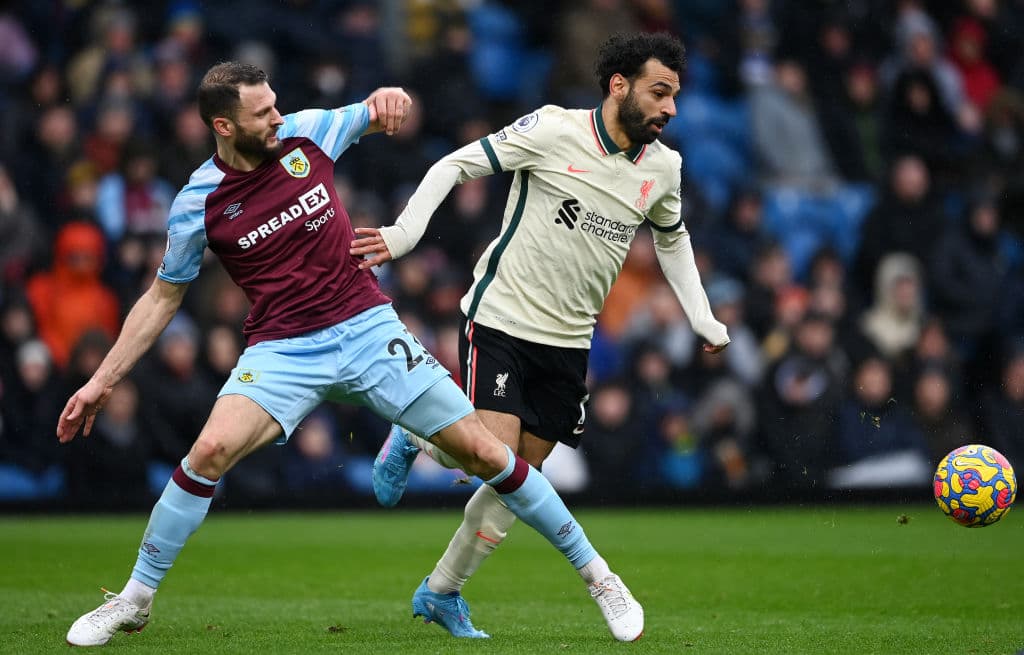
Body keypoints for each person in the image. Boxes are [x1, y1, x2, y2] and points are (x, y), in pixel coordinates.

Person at [59, 61, 640, 647]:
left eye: (275, 104)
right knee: (207, 451)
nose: (278, 117)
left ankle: (601, 579)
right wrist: (101, 381)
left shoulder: (308, 132)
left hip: (367, 329)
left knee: (488, 454)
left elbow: (374, 110)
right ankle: (134, 600)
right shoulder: (198, 201)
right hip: (283, 349)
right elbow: (163, 296)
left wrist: (389, 97)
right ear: (224, 126)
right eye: (262, 113)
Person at [352, 32, 729, 639]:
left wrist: (701, 315)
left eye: (675, 96)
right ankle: (415, 435)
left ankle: (441, 590)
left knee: (515, 479)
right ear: (619, 86)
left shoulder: (664, 168)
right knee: (495, 457)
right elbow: (455, 164)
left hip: (570, 342)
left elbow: (672, 238)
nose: (671, 108)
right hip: (502, 317)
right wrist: (402, 235)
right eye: (660, 92)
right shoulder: (554, 129)